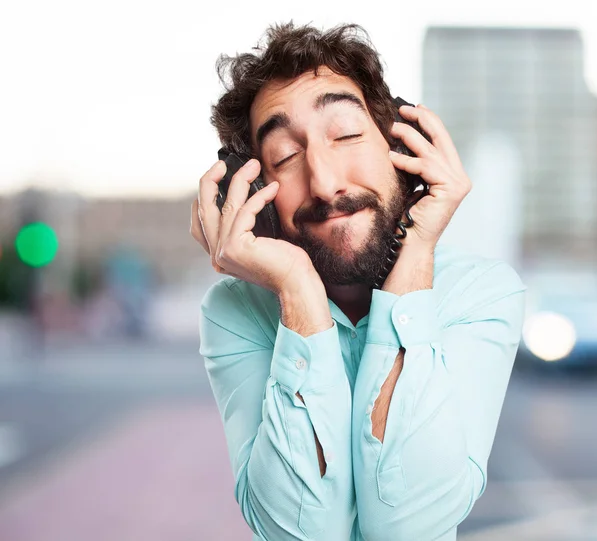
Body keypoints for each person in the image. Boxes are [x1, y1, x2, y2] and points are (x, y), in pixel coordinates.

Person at [190, 21, 526, 541]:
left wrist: (416, 253)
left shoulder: (483, 293)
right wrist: (297, 290)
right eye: (284, 157)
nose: (325, 184)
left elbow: (411, 522)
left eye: (346, 135)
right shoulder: (235, 311)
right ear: (254, 187)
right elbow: (299, 531)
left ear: (402, 145)